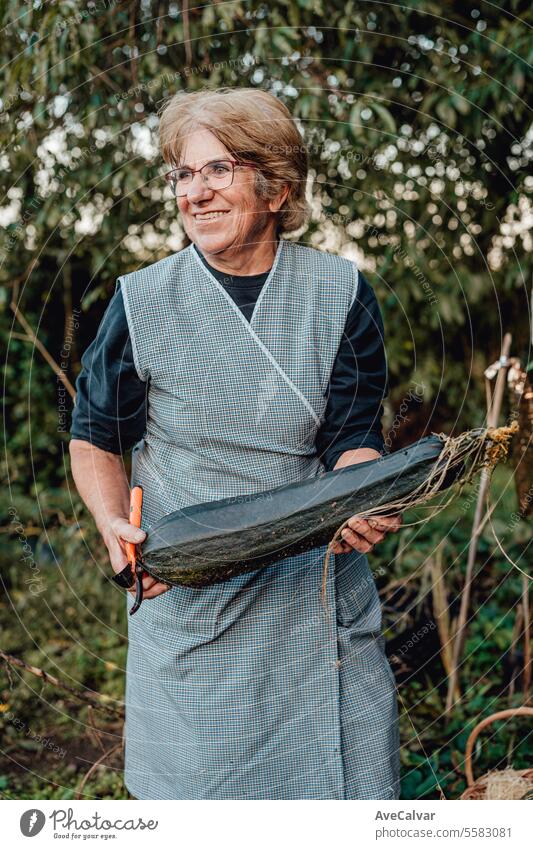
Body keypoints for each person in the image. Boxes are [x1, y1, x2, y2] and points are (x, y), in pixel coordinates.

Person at [69, 86, 401, 800]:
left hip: (314, 597)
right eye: (183, 175)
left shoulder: (340, 291)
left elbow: (350, 434)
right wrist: (110, 524)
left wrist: (363, 492)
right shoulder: (142, 300)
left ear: (276, 186)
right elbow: (95, 437)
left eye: (217, 170)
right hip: (190, 599)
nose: (195, 193)